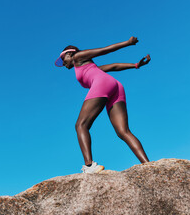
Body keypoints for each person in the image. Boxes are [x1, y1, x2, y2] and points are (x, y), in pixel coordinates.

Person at [55, 36, 151, 174]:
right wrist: (135, 65)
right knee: (123, 131)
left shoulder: (78, 56)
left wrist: (128, 43)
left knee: (81, 125)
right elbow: (113, 67)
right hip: (115, 86)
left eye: (63, 58)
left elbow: (103, 50)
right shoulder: (88, 66)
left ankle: (89, 166)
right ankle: (148, 166)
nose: (63, 63)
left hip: (102, 84)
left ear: (70, 53)